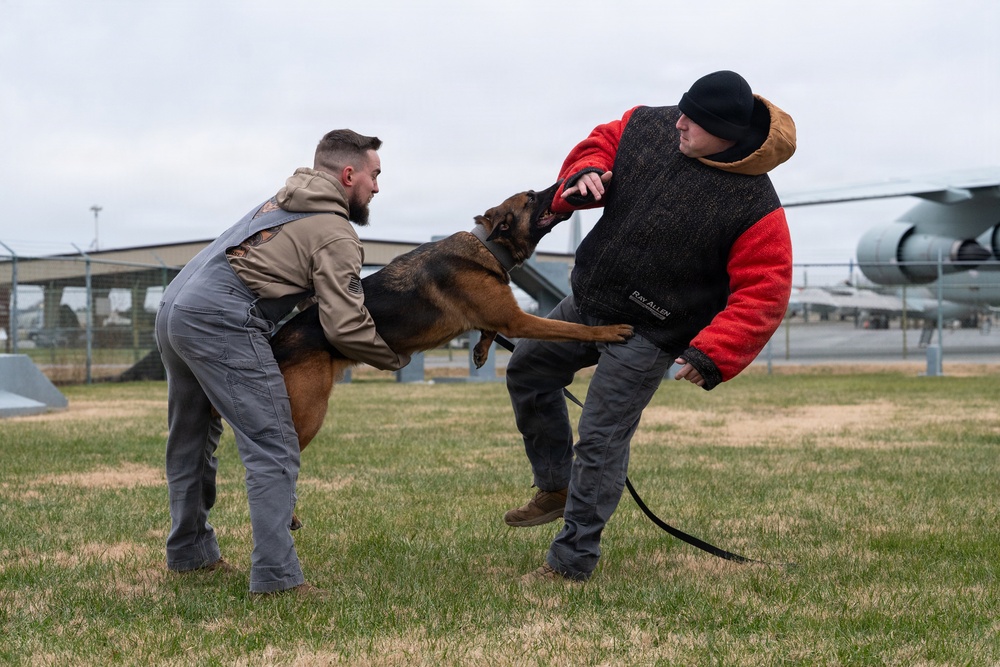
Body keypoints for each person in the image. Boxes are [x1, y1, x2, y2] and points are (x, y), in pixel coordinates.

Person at [504, 71, 796, 582]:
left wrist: (714, 352)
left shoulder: (756, 207)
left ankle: (571, 563)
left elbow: (765, 290)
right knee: (527, 371)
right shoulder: (648, 125)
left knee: (600, 438)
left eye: (693, 121)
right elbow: (602, 141)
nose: (677, 123)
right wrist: (586, 172)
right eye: (681, 111)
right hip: (588, 301)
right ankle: (556, 486)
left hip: (652, 331)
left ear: (725, 133)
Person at [154, 129, 410, 596]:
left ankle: (189, 553)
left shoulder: (279, 203)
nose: (377, 187)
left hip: (175, 308)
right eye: (374, 176)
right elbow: (345, 325)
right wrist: (395, 357)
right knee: (273, 443)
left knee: (190, 440)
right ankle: (277, 579)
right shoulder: (335, 231)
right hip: (218, 318)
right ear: (348, 175)